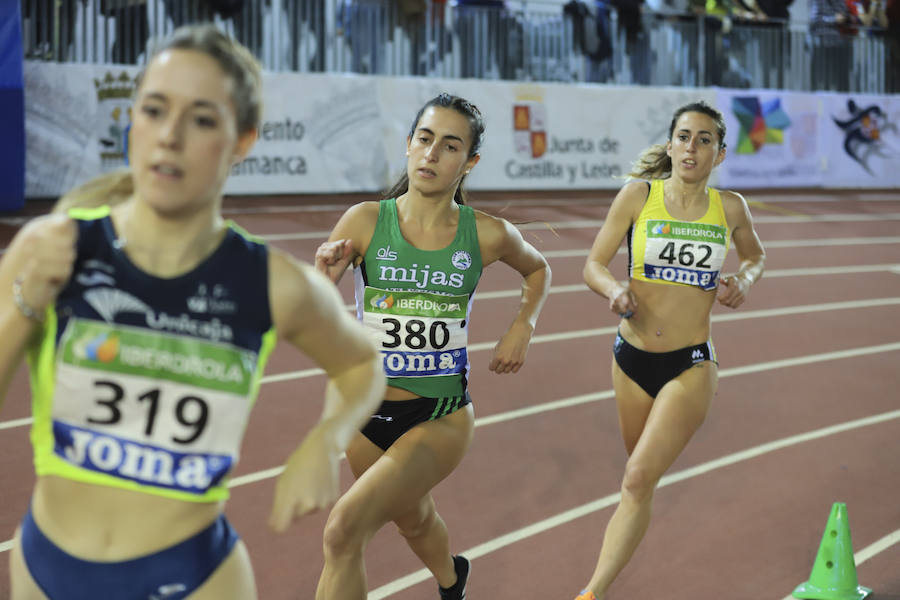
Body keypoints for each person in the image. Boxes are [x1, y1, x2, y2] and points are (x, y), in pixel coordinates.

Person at [0, 24, 385, 600]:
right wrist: (26, 304)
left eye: (202, 119)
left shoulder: (274, 284)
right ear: (132, 119)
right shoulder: (50, 247)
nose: (170, 136)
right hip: (47, 571)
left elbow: (364, 366)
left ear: (243, 140)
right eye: (154, 110)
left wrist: (325, 443)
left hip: (196, 578)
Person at [313, 93, 551, 600]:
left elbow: (538, 269)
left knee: (342, 532)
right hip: (366, 412)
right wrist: (322, 281)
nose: (432, 154)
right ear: (408, 145)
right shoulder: (362, 221)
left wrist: (522, 325)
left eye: (449, 146)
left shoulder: (487, 235)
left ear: (470, 163)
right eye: (424, 139)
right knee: (414, 520)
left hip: (438, 414)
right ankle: (452, 579)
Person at [574, 100, 765, 600]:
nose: (691, 147)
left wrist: (743, 279)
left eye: (704, 140)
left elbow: (755, 255)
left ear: (719, 154)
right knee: (637, 476)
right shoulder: (638, 196)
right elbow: (592, 263)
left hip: (690, 363)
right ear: (670, 144)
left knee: (636, 479)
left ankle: (591, 592)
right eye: (683, 137)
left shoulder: (730, 208)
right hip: (630, 359)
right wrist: (613, 289)